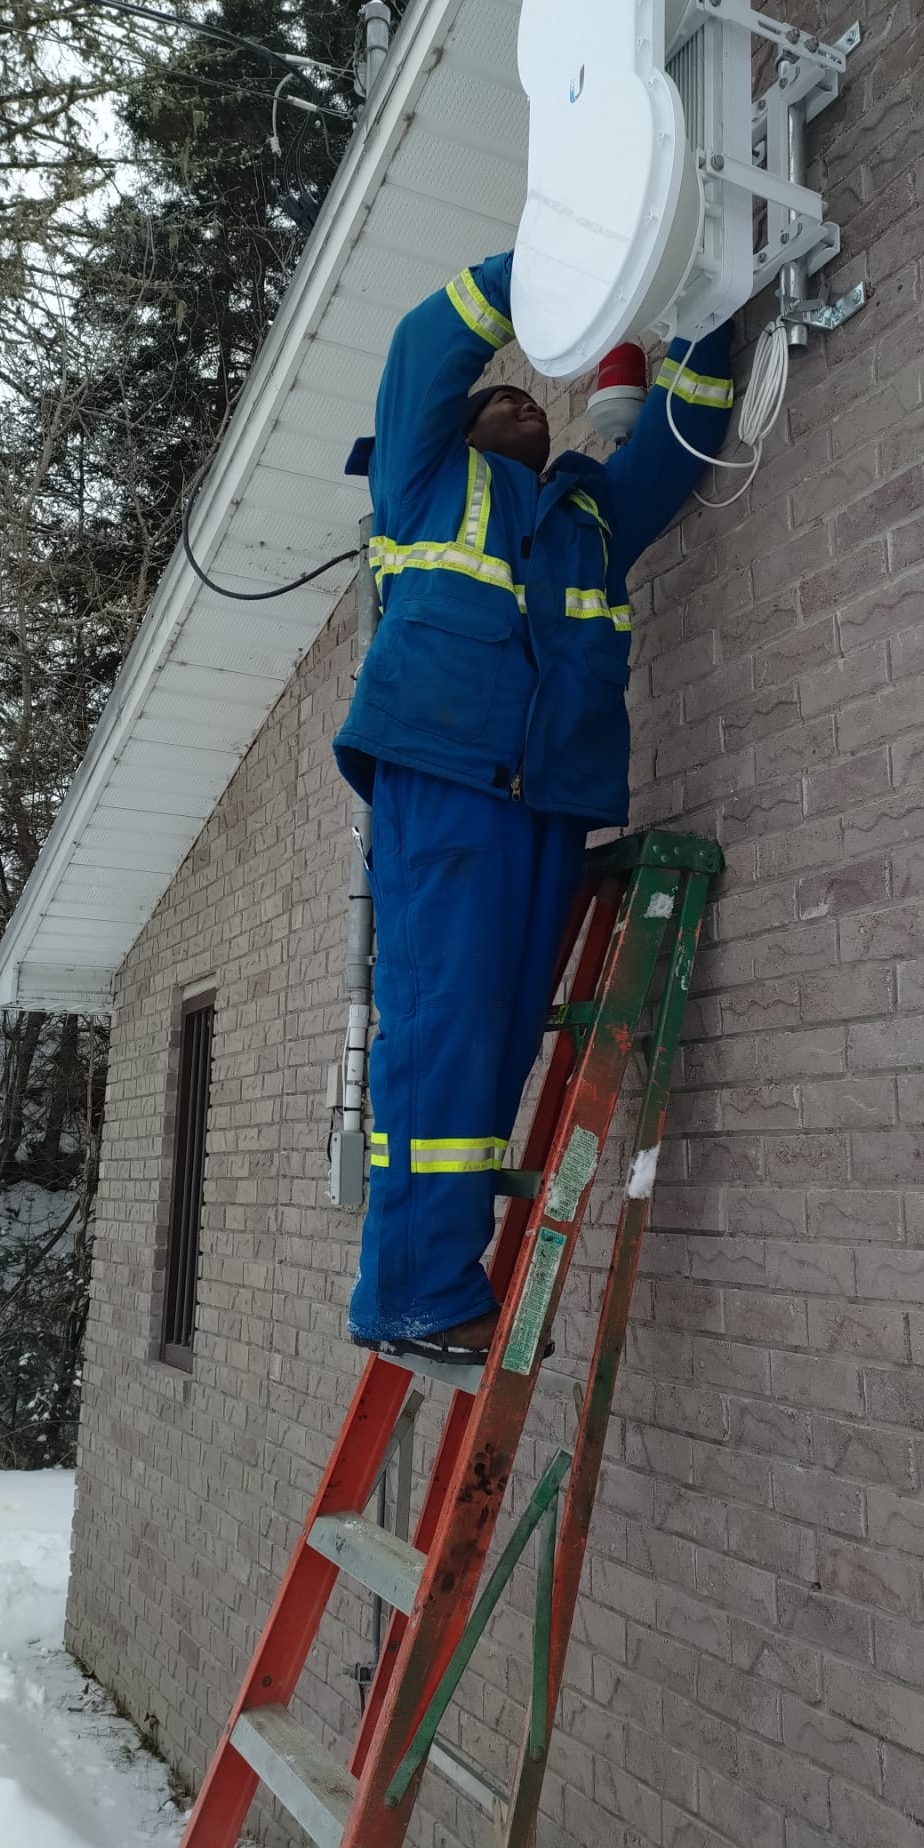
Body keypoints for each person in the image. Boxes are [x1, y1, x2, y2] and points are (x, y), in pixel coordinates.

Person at [334, 250, 733, 1364]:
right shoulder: (420, 481)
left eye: (532, 395)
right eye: (495, 396)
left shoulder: (591, 513)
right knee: (445, 1023)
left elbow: (684, 437)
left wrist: (711, 305)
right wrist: (567, 249)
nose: (520, 396)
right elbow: (428, 339)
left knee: (500, 1038)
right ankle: (408, 1291)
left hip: (551, 805)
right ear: (458, 430)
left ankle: (436, 1278)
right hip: (443, 780)